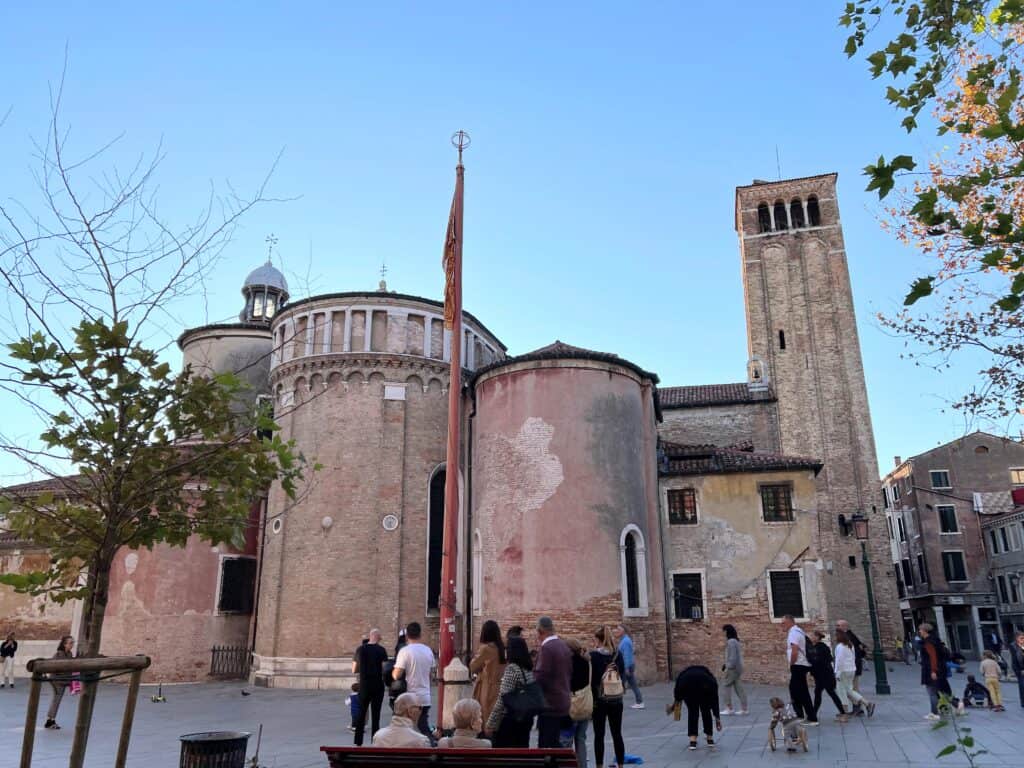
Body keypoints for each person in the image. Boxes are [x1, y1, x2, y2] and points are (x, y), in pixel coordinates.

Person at [486, 636, 535, 747]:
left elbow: (502, 699)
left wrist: (490, 724)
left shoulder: (512, 669)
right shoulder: (528, 669)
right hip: (526, 719)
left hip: (511, 722)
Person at [393, 622, 436, 739]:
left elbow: (397, 675)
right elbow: (432, 674)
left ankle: (427, 746)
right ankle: (430, 746)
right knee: (423, 726)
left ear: (407, 635)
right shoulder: (428, 651)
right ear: (420, 634)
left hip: (409, 698)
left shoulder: (405, 651)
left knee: (407, 729)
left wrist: (391, 672)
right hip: (425, 696)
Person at [534, 616, 572, 749]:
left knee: (546, 749)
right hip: (564, 703)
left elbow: (541, 677)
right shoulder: (563, 645)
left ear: (540, 631)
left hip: (550, 706)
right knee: (558, 747)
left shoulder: (547, 649)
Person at [590, 626, 625, 768]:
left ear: (598, 639)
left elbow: (592, 679)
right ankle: (621, 764)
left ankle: (599, 765)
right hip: (616, 699)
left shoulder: (593, 656)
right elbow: (622, 674)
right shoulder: (617, 654)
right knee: (617, 734)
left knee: (599, 735)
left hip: (599, 700)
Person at [666, 665, 721, 751]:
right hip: (706, 687)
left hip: (688, 687)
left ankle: (693, 741)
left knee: (693, 712)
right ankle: (710, 739)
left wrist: (675, 711)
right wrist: (717, 718)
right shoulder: (710, 678)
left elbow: (678, 695)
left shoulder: (682, 676)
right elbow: (715, 700)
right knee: (706, 711)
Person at [352, 628, 389, 746]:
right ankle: (375, 741)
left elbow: (354, 669)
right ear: (377, 637)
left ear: (370, 636)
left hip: (364, 685)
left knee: (361, 713)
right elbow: (384, 669)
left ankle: (358, 742)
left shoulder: (360, 649)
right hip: (377, 685)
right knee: (376, 715)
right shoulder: (382, 650)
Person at [780, 615, 817, 725]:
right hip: (801, 664)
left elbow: (794, 650)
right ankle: (800, 715)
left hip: (798, 665)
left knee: (800, 691)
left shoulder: (793, 633)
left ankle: (811, 718)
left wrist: (791, 663)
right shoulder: (799, 631)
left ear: (790, 622)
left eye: (783, 623)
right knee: (795, 690)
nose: (782, 625)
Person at [470, 620, 506, 727]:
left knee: (484, 719)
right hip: (498, 686)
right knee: (495, 719)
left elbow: (473, 666)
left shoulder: (485, 649)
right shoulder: (501, 648)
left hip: (486, 688)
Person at [834, 629, 874, 719]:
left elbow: (839, 661)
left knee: (841, 691)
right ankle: (867, 703)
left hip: (843, 671)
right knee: (849, 690)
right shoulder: (850, 645)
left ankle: (844, 713)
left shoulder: (840, 646)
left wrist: (837, 674)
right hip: (851, 670)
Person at [566, 638, 591, 768]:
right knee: (581, 739)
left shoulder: (568, 664)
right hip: (585, 705)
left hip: (572, 706)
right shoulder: (586, 662)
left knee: (567, 740)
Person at [808, 630, 845, 721]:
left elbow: (820, 660)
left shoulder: (820, 647)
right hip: (822, 674)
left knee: (827, 693)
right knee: (822, 693)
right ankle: (814, 714)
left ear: (817, 637)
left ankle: (814, 715)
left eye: (812, 636)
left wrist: (811, 664)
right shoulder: (818, 647)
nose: (811, 637)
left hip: (824, 674)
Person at [919, 622, 952, 720]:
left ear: (925, 631)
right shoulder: (934, 640)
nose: (919, 631)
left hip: (931, 669)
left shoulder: (928, 642)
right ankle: (955, 705)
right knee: (941, 689)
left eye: (920, 630)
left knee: (932, 691)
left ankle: (934, 713)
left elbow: (933, 657)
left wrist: (933, 671)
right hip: (938, 668)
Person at [44, 635, 74, 730]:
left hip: (64, 680)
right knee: (56, 700)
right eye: (70, 643)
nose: (72, 645)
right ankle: (50, 721)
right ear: (64, 644)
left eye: (73, 643)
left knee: (57, 700)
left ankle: (51, 720)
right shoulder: (58, 654)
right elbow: (54, 668)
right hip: (56, 680)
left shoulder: (69, 654)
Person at [612, 624, 643, 709]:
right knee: (633, 684)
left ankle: (617, 703)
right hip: (628, 666)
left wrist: (626, 668)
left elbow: (627, 656)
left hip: (626, 667)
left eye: (618, 629)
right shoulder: (625, 640)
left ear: (623, 631)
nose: (616, 631)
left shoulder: (625, 641)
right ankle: (639, 702)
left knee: (620, 685)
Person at [719, 624, 747, 715]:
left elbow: (733, 657)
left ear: (727, 632)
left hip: (733, 668)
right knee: (739, 688)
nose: (723, 634)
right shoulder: (736, 641)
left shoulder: (731, 642)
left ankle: (729, 708)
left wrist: (728, 666)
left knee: (726, 686)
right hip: (738, 668)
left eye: (724, 632)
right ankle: (744, 708)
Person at [836, 620, 867, 694]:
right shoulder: (848, 635)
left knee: (853, 687)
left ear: (844, 626)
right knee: (851, 687)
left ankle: (859, 703)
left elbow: (856, 651)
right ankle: (859, 702)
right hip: (851, 666)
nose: (836, 627)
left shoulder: (848, 637)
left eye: (838, 625)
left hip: (851, 666)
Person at [1010, 631, 1024, 708]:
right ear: (1016, 638)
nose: (1023, 639)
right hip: (1019, 668)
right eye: (1021, 638)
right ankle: (1023, 702)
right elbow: (1016, 659)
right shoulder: (1013, 646)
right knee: (1022, 685)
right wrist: (1021, 670)